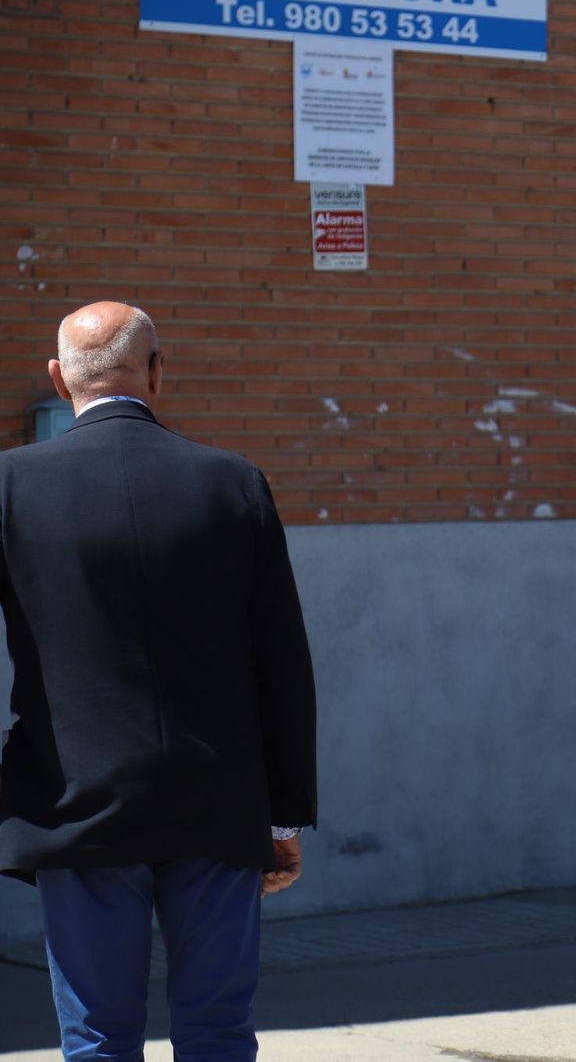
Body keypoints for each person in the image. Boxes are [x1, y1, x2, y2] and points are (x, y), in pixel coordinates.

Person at [0, 302, 317, 1059]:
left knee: (98, 1038)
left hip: (75, 804)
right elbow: (282, 661)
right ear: (157, 372)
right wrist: (283, 819)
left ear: (57, 377)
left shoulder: (10, 487)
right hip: (217, 802)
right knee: (216, 1031)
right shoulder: (233, 482)